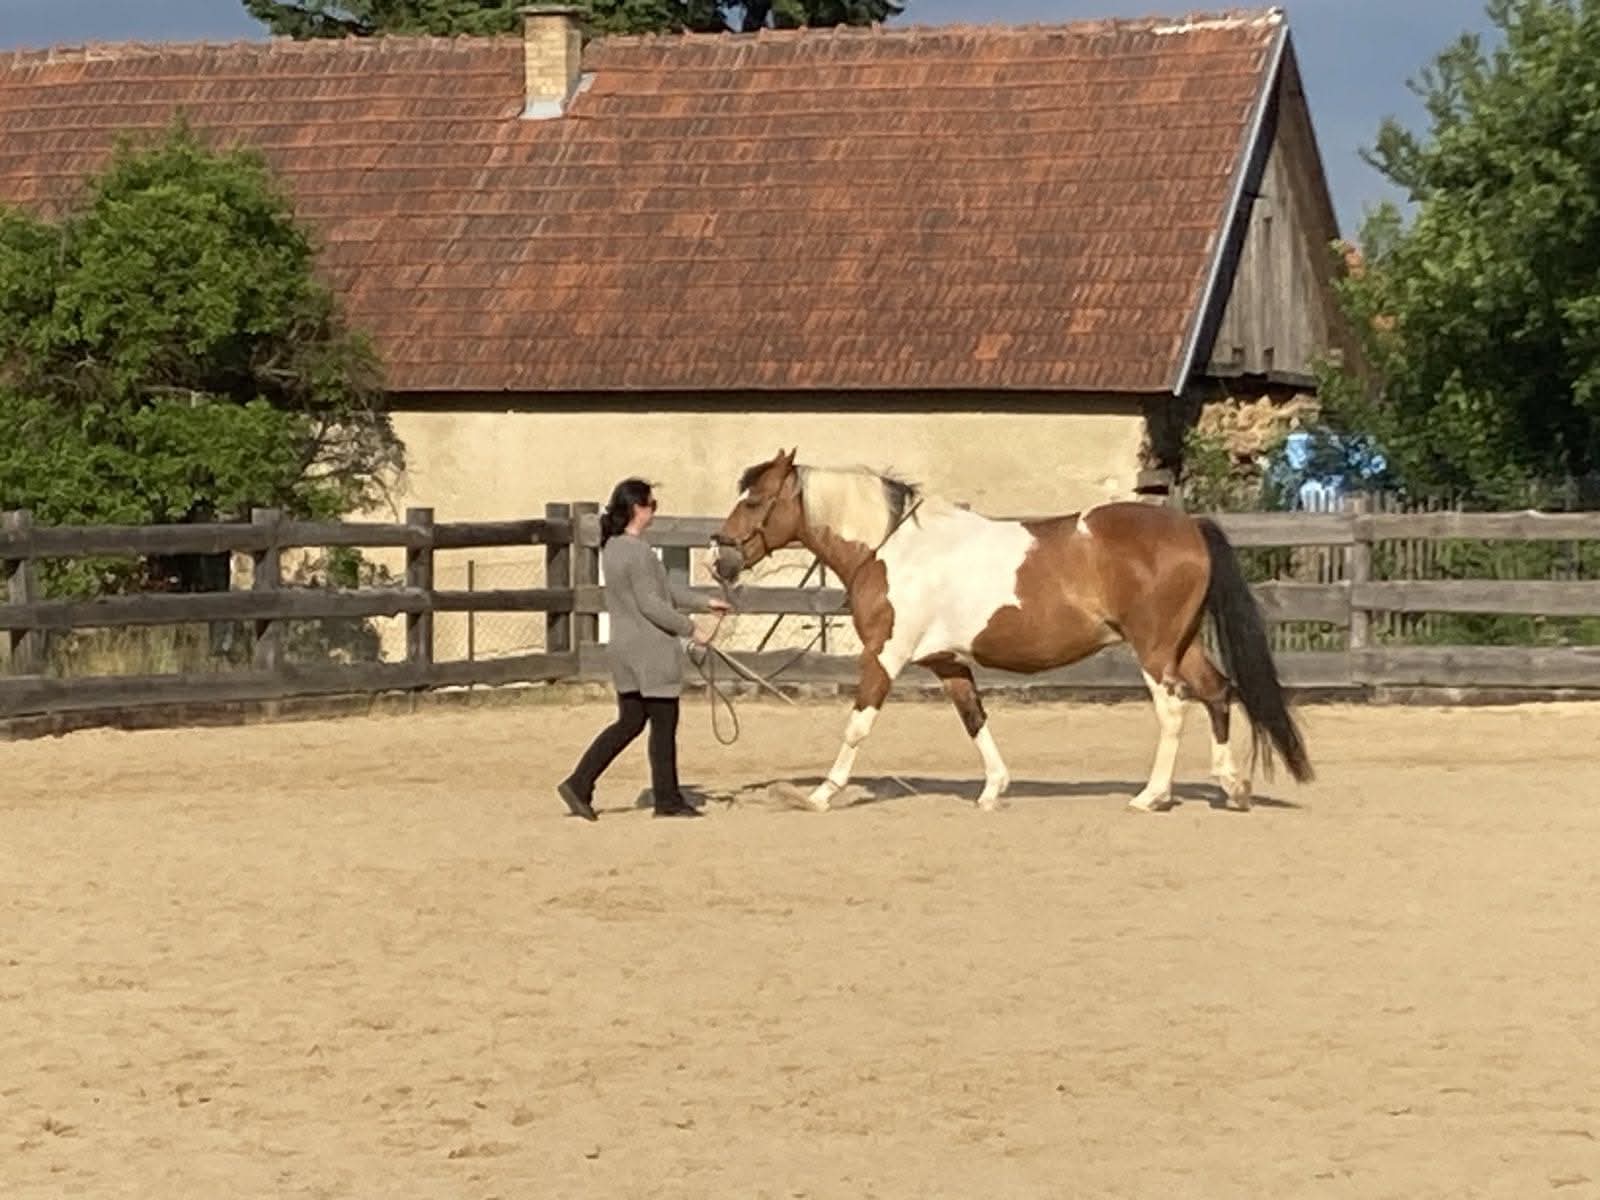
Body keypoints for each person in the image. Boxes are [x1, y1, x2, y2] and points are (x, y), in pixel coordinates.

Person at [557, 478, 730, 821]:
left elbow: (661, 592)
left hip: (624, 648)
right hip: (650, 651)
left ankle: (579, 783)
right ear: (638, 508)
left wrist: (704, 602)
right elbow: (652, 604)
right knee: (663, 725)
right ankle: (667, 799)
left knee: (630, 722)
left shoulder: (613, 548)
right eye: (652, 504)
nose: (655, 510)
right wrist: (691, 629)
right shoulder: (638, 552)